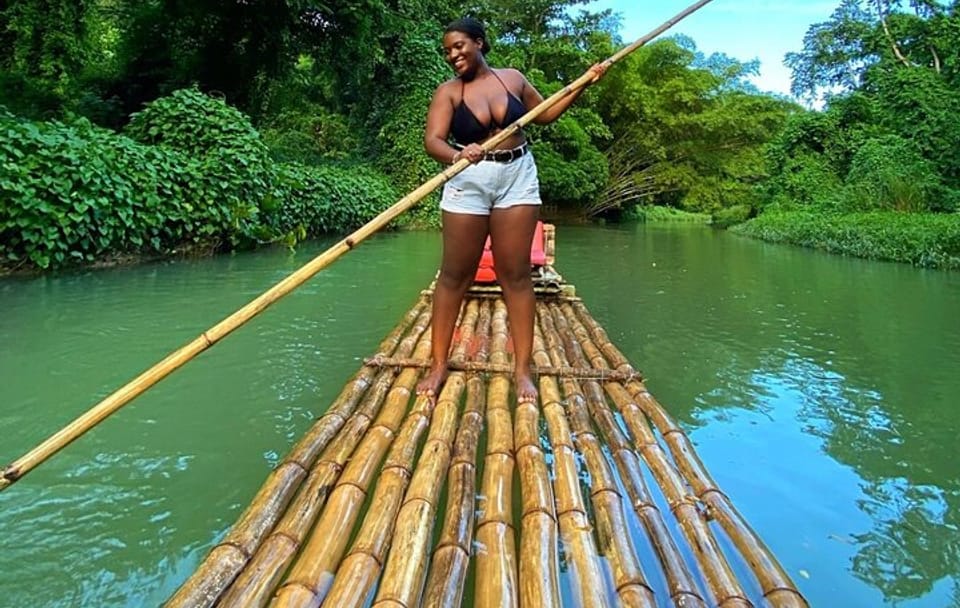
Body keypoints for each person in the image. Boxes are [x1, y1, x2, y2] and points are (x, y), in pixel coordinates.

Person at [417, 17, 605, 404]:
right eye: (447, 51)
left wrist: (584, 83)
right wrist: (458, 153)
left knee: (515, 273)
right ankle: (438, 365)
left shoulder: (512, 78)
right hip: (468, 181)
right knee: (455, 273)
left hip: (517, 175)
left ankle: (522, 370)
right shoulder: (448, 92)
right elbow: (433, 141)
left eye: (458, 46)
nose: (453, 56)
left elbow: (546, 113)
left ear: (480, 43)